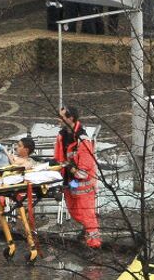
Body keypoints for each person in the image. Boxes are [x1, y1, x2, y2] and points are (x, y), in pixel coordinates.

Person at [54, 106, 101, 249]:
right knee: (74, 211)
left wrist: (70, 168)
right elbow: (58, 158)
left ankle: (94, 244)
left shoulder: (83, 140)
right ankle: (88, 229)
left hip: (83, 184)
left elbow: (84, 169)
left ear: (70, 118)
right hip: (70, 182)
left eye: (61, 117)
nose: (59, 119)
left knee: (87, 214)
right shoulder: (62, 136)